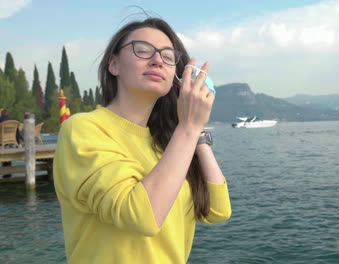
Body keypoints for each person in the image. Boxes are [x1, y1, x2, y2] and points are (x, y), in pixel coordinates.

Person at [53, 17, 231, 263]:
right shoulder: (84, 128)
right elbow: (140, 215)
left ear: (176, 79)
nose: (157, 60)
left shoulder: (169, 142)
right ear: (114, 64)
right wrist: (189, 128)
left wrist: (196, 132)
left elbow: (218, 210)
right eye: (143, 50)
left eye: (168, 56)